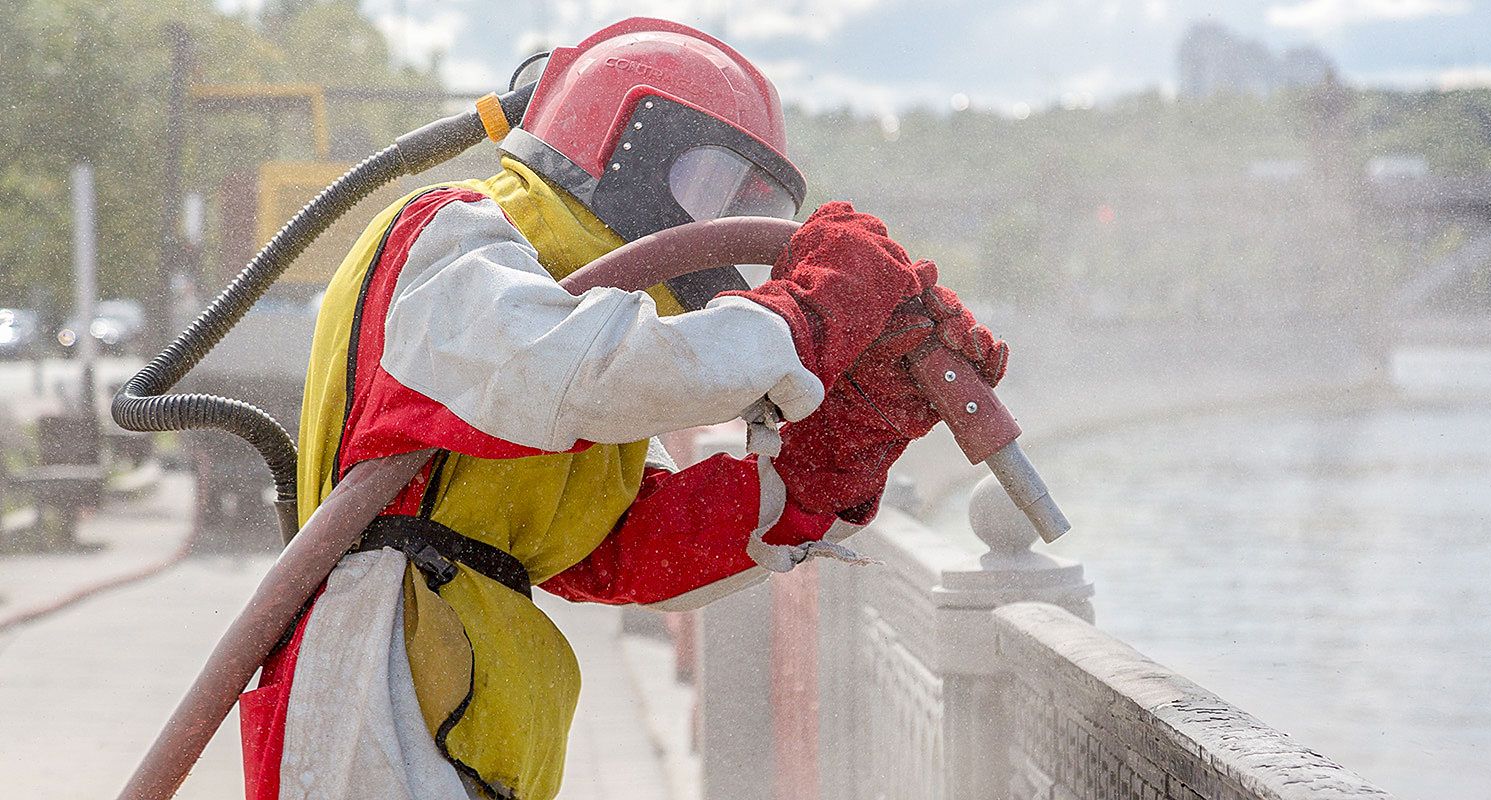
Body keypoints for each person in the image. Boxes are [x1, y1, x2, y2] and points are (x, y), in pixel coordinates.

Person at [239, 17, 1007, 800]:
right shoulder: (447, 235)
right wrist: (809, 314)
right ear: (622, 141)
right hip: (372, 710)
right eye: (707, 185)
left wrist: (837, 453)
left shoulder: (575, 345)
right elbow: (583, 372)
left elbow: (630, 551)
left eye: (746, 204)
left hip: (441, 729)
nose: (716, 227)